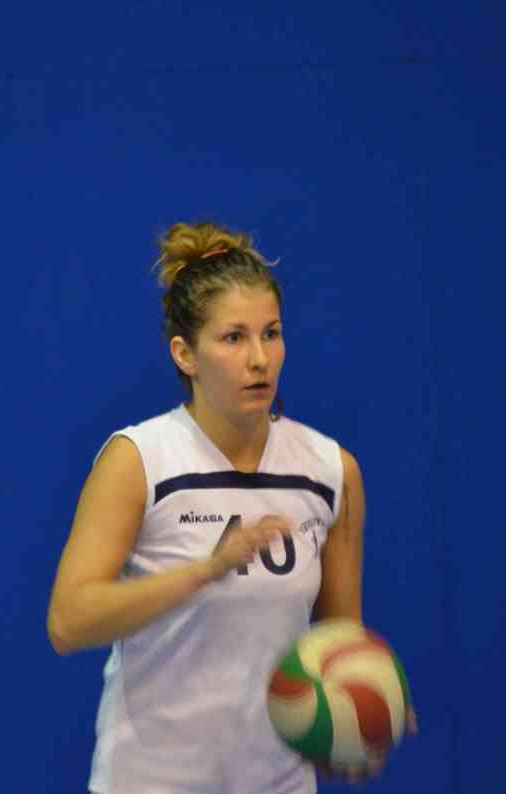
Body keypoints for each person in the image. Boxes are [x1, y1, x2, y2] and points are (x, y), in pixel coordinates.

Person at [47, 221, 414, 793]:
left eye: (271, 334)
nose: (259, 358)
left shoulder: (330, 471)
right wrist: (205, 572)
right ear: (185, 354)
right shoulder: (140, 459)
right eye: (234, 338)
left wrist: (364, 703)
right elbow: (69, 621)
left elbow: (339, 641)